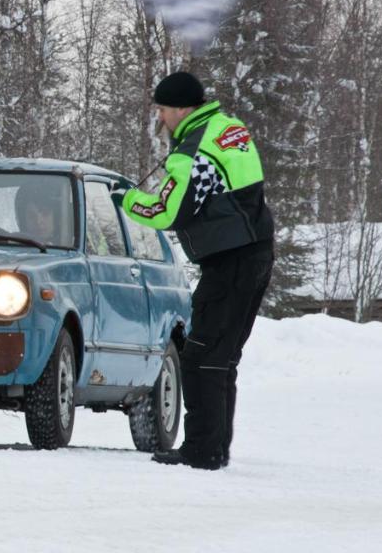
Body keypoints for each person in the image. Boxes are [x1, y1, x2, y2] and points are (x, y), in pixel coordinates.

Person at [115, 71, 275, 471]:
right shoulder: (229, 128)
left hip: (230, 259)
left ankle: (202, 451)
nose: (162, 118)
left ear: (182, 108)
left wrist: (127, 201)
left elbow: (170, 210)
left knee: (200, 355)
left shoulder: (193, 149)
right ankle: (214, 448)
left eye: (164, 110)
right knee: (222, 357)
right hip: (256, 251)